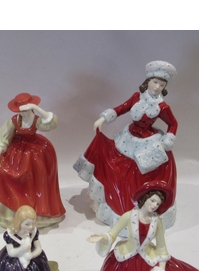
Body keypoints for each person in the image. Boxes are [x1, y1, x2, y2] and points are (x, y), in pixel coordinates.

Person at [74, 61, 178, 231]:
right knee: (116, 166)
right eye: (155, 82)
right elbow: (122, 108)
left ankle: (136, 208)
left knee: (138, 173)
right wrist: (103, 118)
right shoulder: (137, 97)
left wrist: (167, 141)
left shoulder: (162, 106)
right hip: (128, 139)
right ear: (148, 81)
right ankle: (114, 202)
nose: (157, 87)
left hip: (148, 142)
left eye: (162, 85)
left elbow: (173, 124)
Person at [0, 93, 65, 228]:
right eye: (20, 111)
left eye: (25, 110)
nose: (23, 114)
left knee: (37, 175)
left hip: (35, 152)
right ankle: (8, 211)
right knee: (2, 172)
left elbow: (50, 122)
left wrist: (36, 108)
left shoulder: (36, 120)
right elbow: (2, 140)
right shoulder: (14, 121)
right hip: (17, 152)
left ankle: (38, 210)